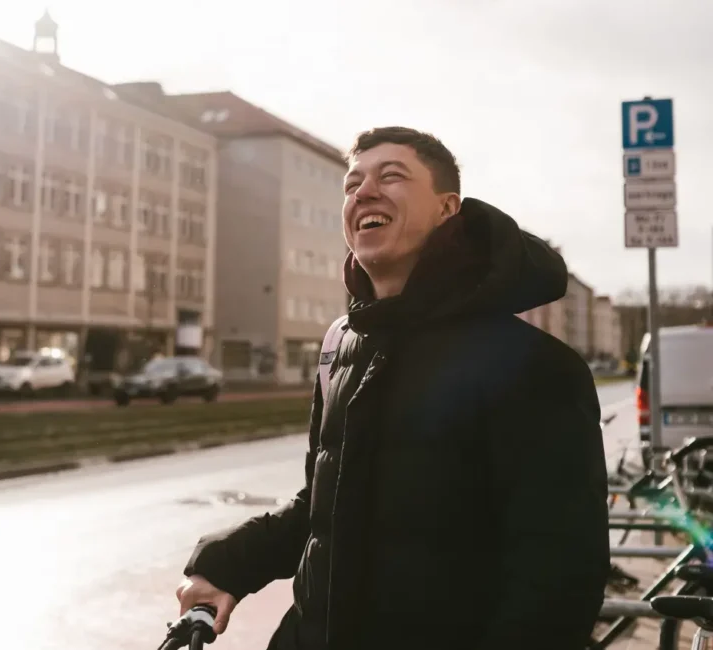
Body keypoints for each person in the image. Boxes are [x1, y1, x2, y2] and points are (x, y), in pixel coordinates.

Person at [177, 126, 610, 649]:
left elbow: (558, 575)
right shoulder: (342, 344)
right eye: (352, 183)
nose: (364, 192)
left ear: (448, 208)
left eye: (392, 176)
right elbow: (325, 507)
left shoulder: (536, 366)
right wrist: (225, 566)